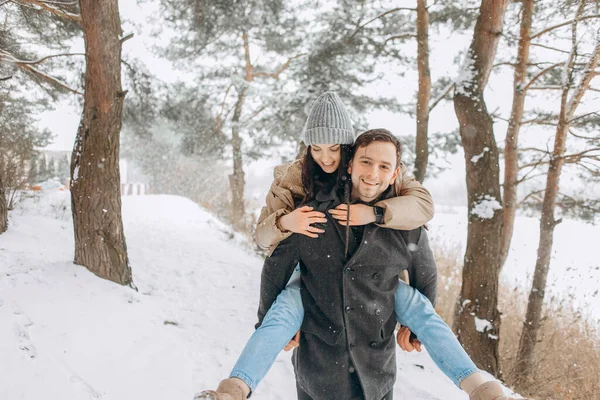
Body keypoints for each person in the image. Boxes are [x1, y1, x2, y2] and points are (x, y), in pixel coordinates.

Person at [197, 96, 523, 400]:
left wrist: (376, 213)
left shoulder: (394, 198)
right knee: (284, 309)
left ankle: (481, 387)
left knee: (418, 308)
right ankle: (233, 389)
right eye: (317, 148)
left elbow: (424, 263)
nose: (326, 158)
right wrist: (286, 224)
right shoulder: (299, 188)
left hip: (379, 308)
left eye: (334, 149)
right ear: (351, 163)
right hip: (314, 295)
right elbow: (273, 256)